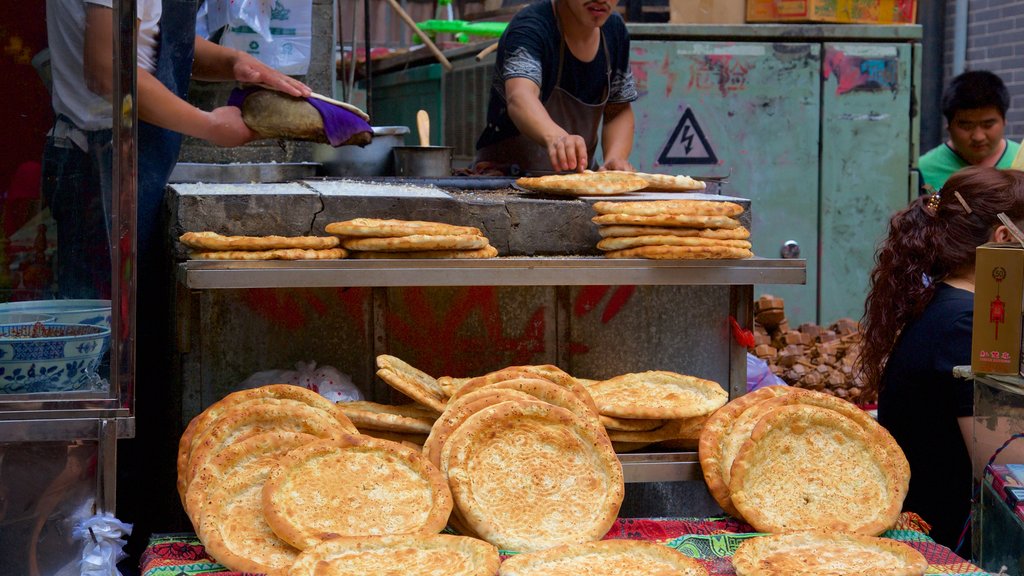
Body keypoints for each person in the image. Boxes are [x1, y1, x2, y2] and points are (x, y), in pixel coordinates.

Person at [42, 0, 310, 298]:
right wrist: (210, 126)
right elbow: (108, 69)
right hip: (99, 165)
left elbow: (155, 42)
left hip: (140, 159)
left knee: (139, 317)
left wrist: (234, 62)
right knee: (104, 325)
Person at [860, 166, 1024, 552]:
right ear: (1005, 238)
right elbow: (1006, 465)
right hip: (949, 547)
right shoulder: (968, 324)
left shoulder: (945, 304)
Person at [473, 0, 637, 175]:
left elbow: (618, 110)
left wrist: (615, 158)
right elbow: (520, 96)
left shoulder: (614, 30)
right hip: (505, 179)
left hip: (578, 181)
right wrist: (556, 138)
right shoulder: (531, 26)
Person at [918, 70, 1021, 192]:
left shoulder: (1021, 160)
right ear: (948, 126)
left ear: (1004, 121)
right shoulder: (924, 170)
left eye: (988, 125)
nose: (978, 137)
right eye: (966, 126)